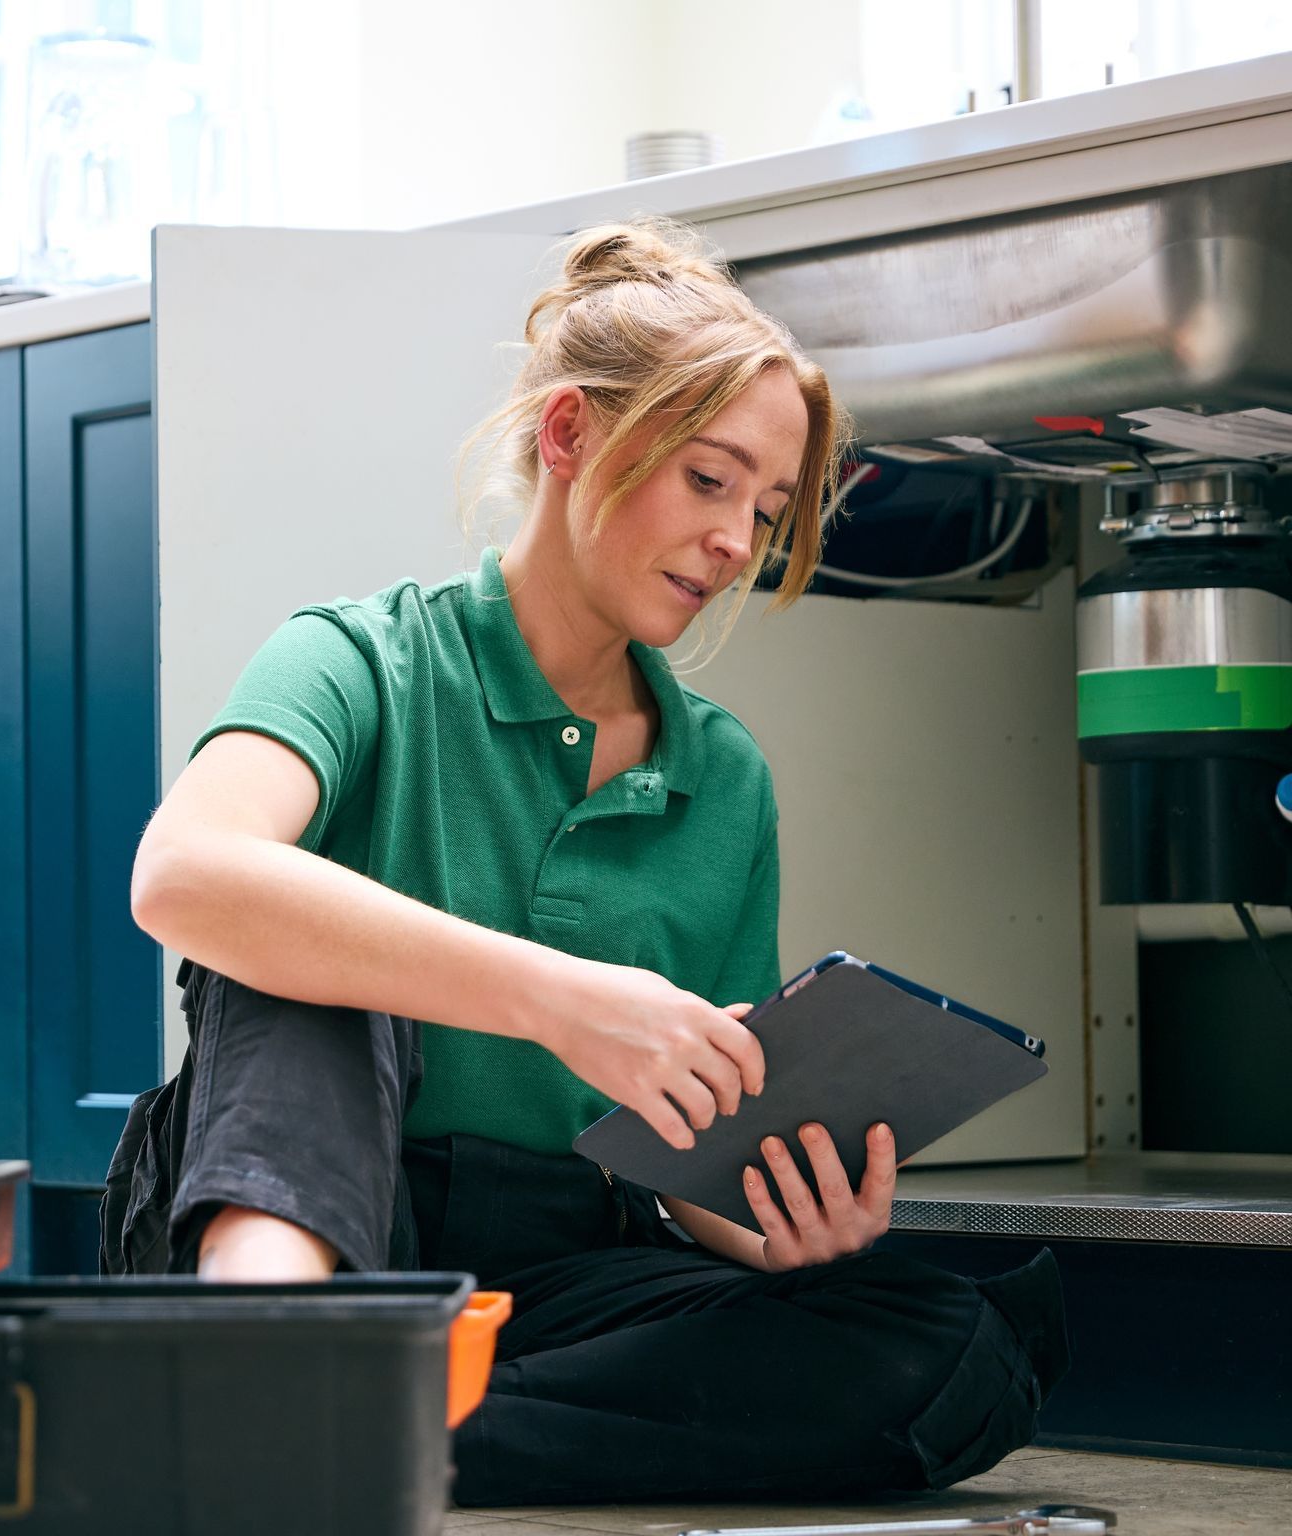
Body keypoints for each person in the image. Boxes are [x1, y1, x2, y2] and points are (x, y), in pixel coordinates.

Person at [101, 214, 1071, 1507]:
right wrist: (563, 998)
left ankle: (331, 1435)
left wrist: (781, 1219)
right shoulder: (359, 659)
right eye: (710, 481)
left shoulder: (722, 776)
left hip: (556, 1268)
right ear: (569, 439)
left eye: (769, 508)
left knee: (947, 1352)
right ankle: (275, 1359)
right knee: (303, 970)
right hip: (295, 1216)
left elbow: (698, 1157)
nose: (740, 542)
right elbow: (184, 878)